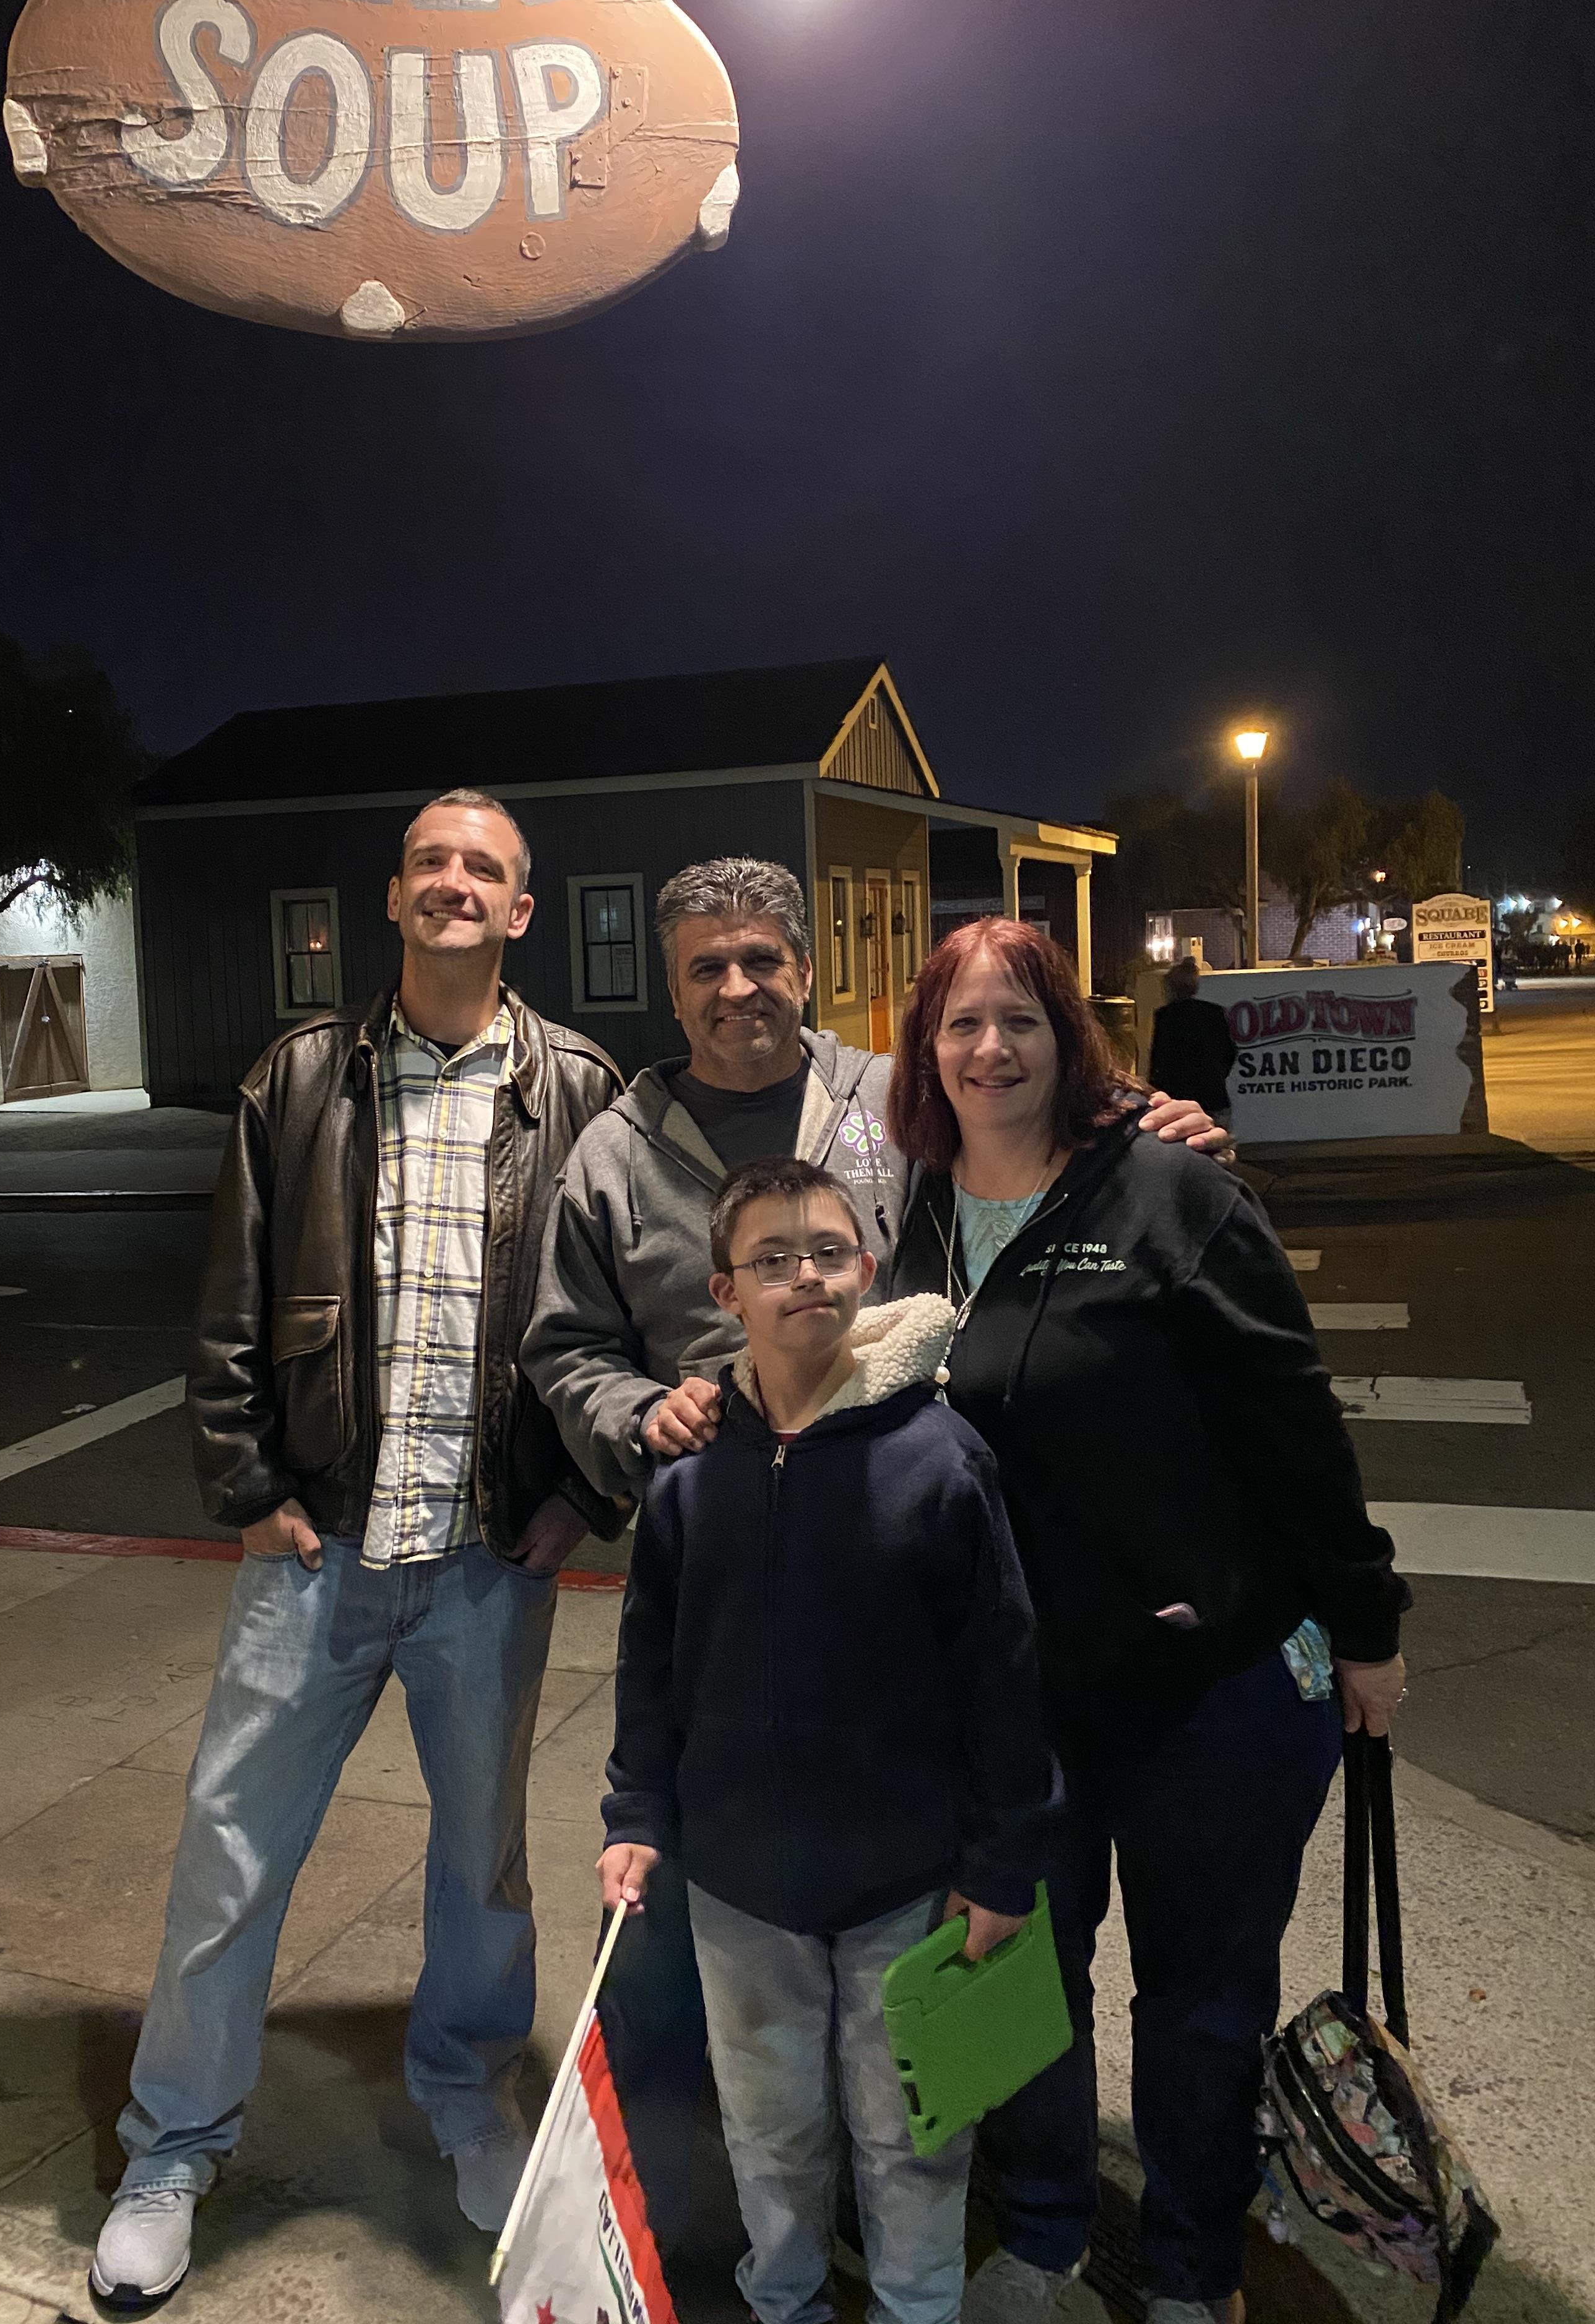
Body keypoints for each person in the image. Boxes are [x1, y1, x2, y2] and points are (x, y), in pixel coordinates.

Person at [522, 855, 1225, 2228]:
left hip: (904, 1547)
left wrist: (1147, 1126)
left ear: (802, 967)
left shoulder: (888, 1103)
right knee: (720, 1927)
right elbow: (564, 1343)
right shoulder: (615, 1146)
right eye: (706, 968)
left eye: (762, 960)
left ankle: (960, 2202)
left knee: (952, 1897)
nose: (738, 989)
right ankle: (732, 2216)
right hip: (723, 1561)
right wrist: (631, 1411)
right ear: (672, 989)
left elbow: (1028, 1132)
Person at [88, 790, 623, 2310]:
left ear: (523, 912)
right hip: (315, 1551)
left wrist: (582, 1498)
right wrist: (247, 1484)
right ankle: (174, 2148)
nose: (458, 885)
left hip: (485, 1563)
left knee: (483, 1865)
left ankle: (466, 2095)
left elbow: (636, 1310)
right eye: (434, 863)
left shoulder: (579, 1088)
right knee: (228, 1857)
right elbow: (228, 1308)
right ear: (395, 897)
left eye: (489, 870)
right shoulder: (305, 1074)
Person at [881, 918, 1410, 2324]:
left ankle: (1188, 2269)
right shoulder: (922, 1211)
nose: (990, 1049)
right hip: (1016, 1714)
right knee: (1008, 1993)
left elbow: (1295, 1432)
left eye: (1021, 1023)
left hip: (1211, 1697)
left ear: (1071, 1041)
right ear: (926, 1050)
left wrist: (1365, 1632)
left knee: (1200, 2008)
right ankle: (1046, 2237)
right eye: (960, 1024)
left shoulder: (1172, 1194)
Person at [598, 1157, 1061, 2324]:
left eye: (826, 1250)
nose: (803, 1276)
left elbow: (1002, 1675)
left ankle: (916, 2306)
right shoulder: (688, 1482)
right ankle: (786, 2297)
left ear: (865, 1266)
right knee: (767, 2127)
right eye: (770, 1259)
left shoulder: (939, 1461)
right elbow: (649, 1669)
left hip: (903, 1883)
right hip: (739, 1887)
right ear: (724, 1291)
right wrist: (636, 1818)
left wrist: (1001, 1859)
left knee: (913, 2132)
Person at [1148, 955, 1237, 1117]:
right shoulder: (1214, 1012)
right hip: (1213, 1094)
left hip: (1178, 1097)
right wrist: (1216, 1074)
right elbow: (1230, 1051)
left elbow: (1160, 1058)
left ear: (1170, 988)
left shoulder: (1165, 1016)